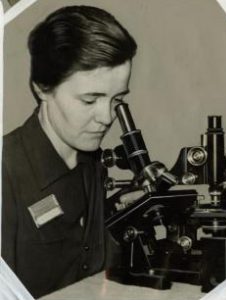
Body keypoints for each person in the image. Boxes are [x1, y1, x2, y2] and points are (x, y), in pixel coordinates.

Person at [2, 5, 137, 298]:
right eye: (90, 100)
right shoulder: (7, 172)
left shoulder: (93, 165)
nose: (106, 117)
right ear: (42, 88)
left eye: (117, 100)